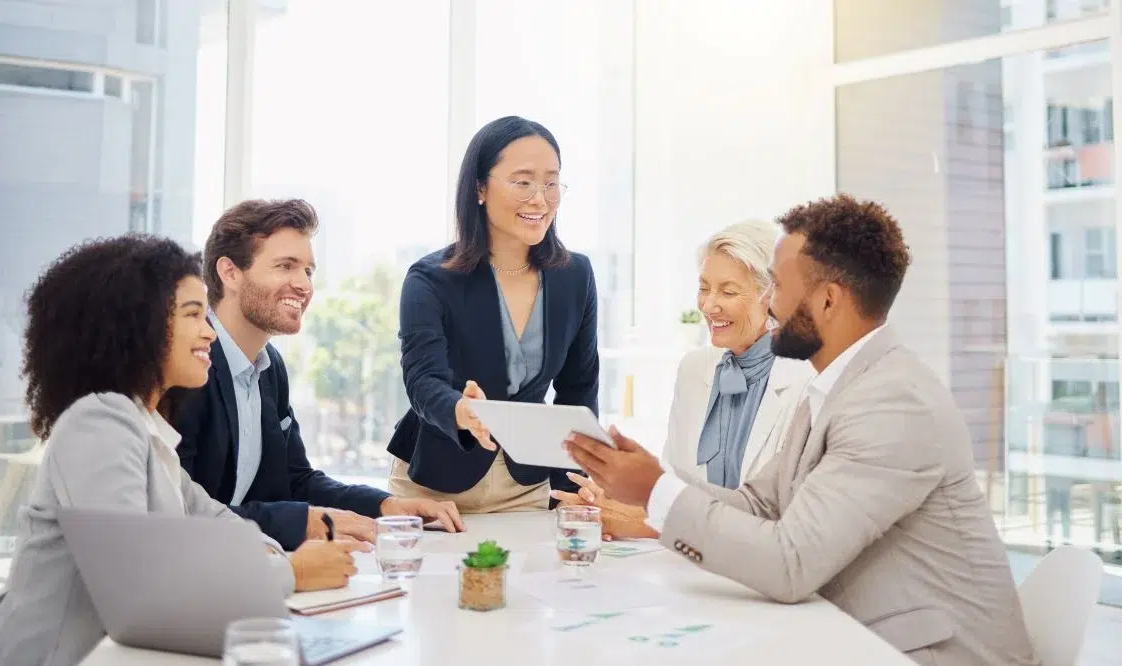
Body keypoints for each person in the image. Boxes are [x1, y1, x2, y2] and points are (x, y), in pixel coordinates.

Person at [563, 195, 1038, 664]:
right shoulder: (841, 384)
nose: (771, 303)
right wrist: (650, 488)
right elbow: (760, 503)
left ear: (828, 300)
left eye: (778, 285)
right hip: (855, 634)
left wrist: (656, 491)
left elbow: (790, 564)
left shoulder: (892, 402)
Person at [0, 236, 359, 666]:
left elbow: (221, 527)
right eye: (192, 315)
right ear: (135, 324)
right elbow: (137, 586)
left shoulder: (145, 430)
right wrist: (292, 572)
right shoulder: (99, 423)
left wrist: (275, 558)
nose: (209, 331)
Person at [170, 199, 463, 552]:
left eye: (308, 271)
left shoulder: (269, 368)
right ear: (230, 272)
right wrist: (303, 522)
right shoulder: (187, 365)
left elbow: (296, 480)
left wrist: (385, 506)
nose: (303, 286)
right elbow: (179, 510)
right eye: (285, 266)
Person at [386, 115, 599, 512]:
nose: (540, 198)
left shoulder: (575, 276)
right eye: (523, 182)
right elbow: (422, 379)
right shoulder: (430, 279)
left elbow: (579, 389)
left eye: (551, 183)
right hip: (435, 485)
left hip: (529, 484)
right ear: (480, 188)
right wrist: (461, 411)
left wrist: (578, 480)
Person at [552, 220, 814, 538]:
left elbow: (779, 517)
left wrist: (641, 521)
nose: (707, 305)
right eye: (703, 288)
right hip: (688, 565)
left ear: (772, 294)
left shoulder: (808, 381)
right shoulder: (695, 369)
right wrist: (613, 502)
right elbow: (672, 489)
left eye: (728, 291)